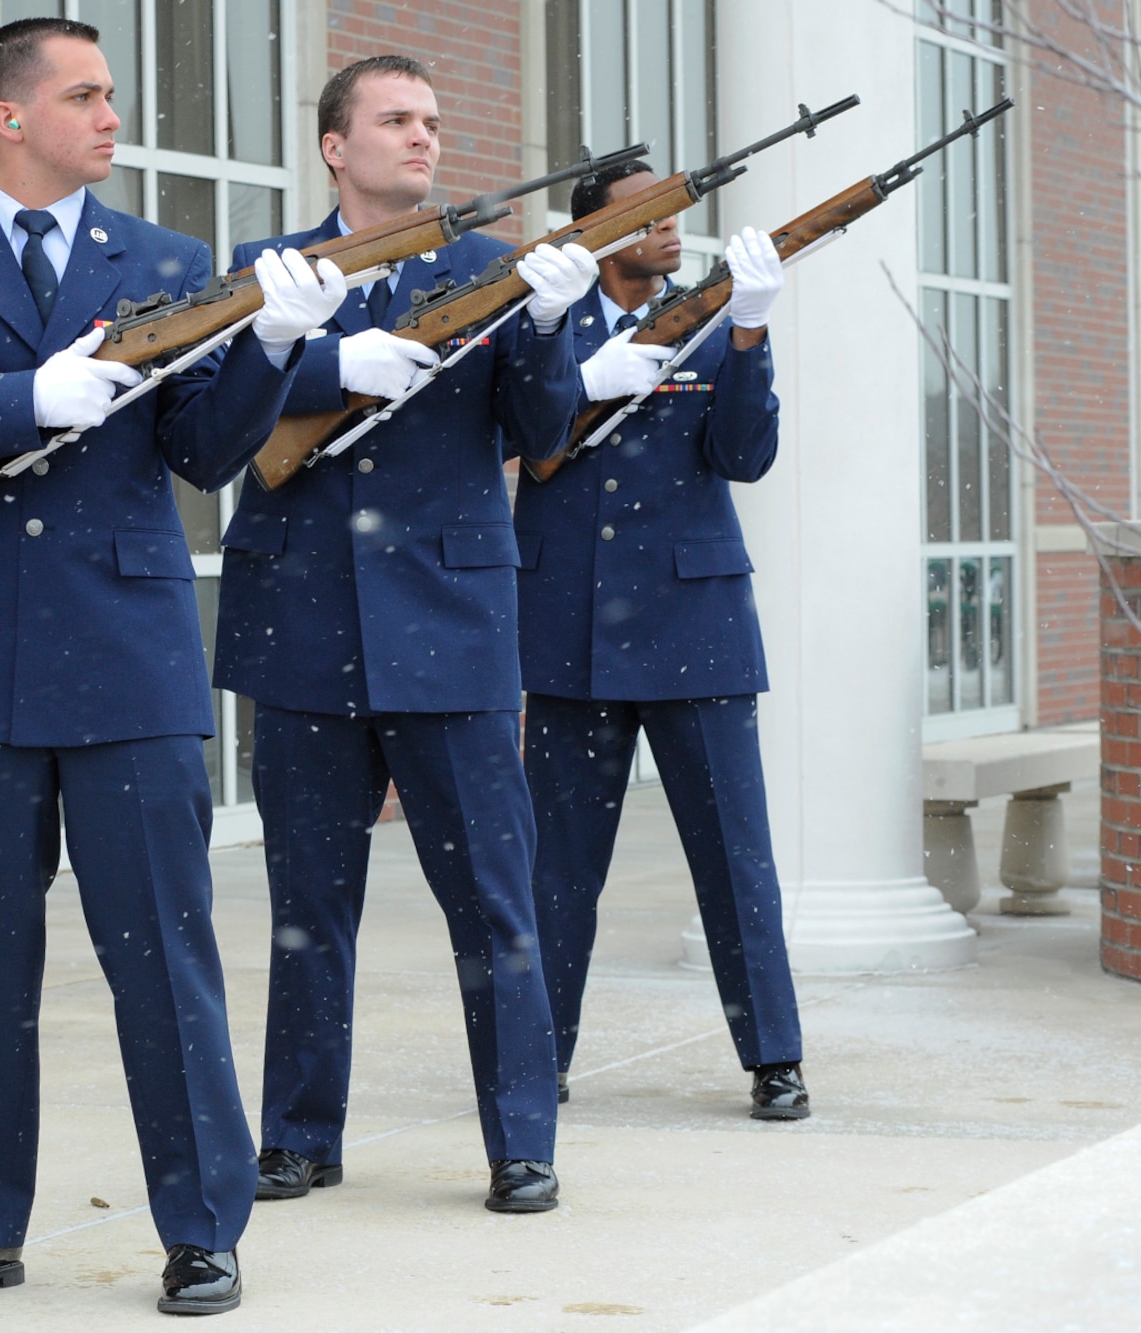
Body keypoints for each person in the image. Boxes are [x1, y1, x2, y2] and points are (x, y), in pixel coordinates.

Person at [0, 18, 345, 1315]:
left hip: (122, 661)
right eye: (87, 95)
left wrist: (278, 347)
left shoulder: (165, 261)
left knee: (165, 961)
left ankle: (202, 1225)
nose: (113, 115)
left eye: (112, 94)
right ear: (11, 116)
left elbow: (207, 451)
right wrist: (23, 400)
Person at [213, 55, 597, 1215]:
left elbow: (544, 436)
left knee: (492, 900)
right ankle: (297, 1134)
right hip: (303, 621)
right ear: (335, 145)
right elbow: (211, 419)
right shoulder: (269, 273)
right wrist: (322, 356)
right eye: (393, 120)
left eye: (431, 119)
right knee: (305, 904)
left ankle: (520, 1138)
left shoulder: (495, 269)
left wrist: (542, 321)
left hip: (452, 628)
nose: (421, 137)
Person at [513, 158, 810, 1120]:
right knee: (557, 865)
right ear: (592, 229)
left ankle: (773, 1054)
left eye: (680, 212)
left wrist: (754, 327)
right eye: (648, 213)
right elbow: (518, 443)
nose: (673, 228)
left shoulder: (712, 320)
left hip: (696, 627)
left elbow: (745, 457)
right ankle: (539, 1052)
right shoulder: (543, 327)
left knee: (733, 853)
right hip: (569, 625)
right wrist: (577, 380)